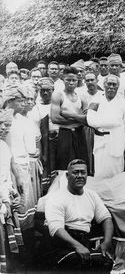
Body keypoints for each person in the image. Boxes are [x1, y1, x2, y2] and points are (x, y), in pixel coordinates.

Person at [45, 159, 113, 269]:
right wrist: (78, 246)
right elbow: (56, 229)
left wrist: (107, 242)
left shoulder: (92, 195)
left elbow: (106, 218)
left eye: (83, 172)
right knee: (76, 263)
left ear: (87, 175)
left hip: (85, 242)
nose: (80, 176)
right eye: (75, 172)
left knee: (105, 262)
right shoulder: (56, 198)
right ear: (67, 175)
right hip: (63, 244)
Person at [3, 85, 38, 231]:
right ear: (10, 100)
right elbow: (8, 152)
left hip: (24, 164)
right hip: (14, 168)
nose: (24, 104)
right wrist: (17, 175)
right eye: (20, 101)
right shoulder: (6, 119)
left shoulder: (19, 118)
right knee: (19, 202)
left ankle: (28, 237)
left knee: (27, 203)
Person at [87, 75, 125, 179]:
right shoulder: (96, 100)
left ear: (118, 86)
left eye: (114, 84)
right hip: (100, 142)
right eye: (109, 84)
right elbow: (91, 121)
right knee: (100, 172)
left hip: (117, 141)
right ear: (104, 85)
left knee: (116, 174)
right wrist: (113, 122)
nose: (111, 87)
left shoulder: (123, 103)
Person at [51, 66, 89, 170]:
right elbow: (55, 118)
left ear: (78, 80)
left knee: (82, 163)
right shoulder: (58, 95)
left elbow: (88, 119)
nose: (71, 83)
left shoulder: (82, 96)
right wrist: (79, 119)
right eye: (68, 80)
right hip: (65, 133)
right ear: (63, 79)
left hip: (80, 133)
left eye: (74, 80)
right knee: (65, 165)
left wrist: (70, 115)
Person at [0, 109, 24, 273]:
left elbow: (6, 174)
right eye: (1, 124)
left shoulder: (3, 145)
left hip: (5, 195)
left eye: (7, 125)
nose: (4, 128)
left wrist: (13, 192)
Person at [29, 77, 59, 193]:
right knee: (46, 165)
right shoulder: (35, 106)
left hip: (59, 140)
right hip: (44, 142)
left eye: (48, 90)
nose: (45, 93)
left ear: (53, 90)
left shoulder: (58, 103)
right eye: (42, 90)